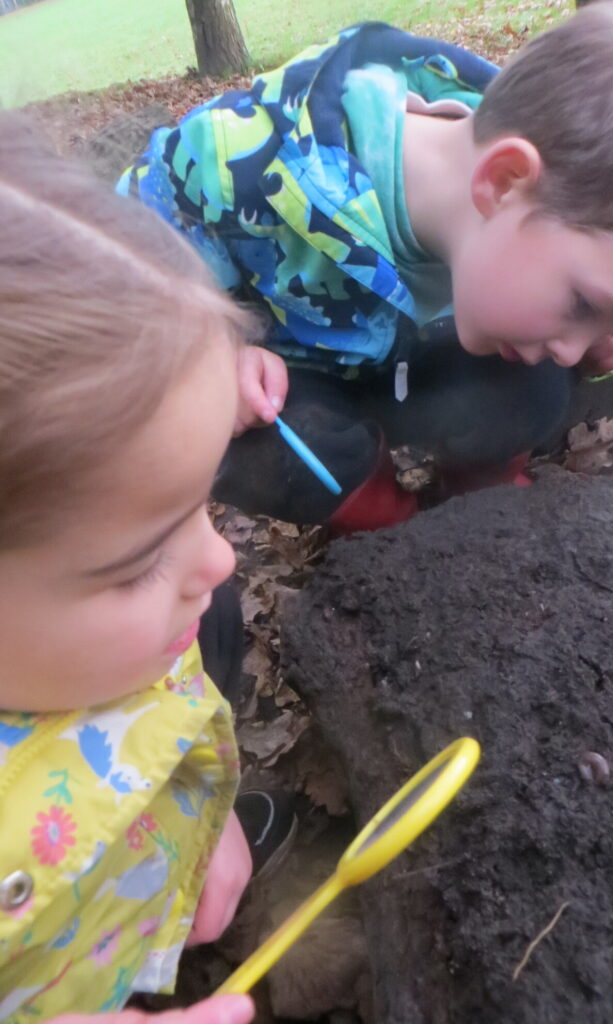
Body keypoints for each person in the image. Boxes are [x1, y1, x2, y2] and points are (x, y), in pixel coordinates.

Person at [119, 1, 613, 533]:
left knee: (536, 386)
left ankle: (480, 497)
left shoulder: (542, 193)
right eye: (583, 306)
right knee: (272, 446)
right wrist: (210, 346)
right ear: (504, 181)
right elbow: (122, 256)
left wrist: (599, 332)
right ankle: (385, 520)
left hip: (423, 360)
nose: (574, 346)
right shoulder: (240, 162)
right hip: (300, 377)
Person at [0, 113, 298, 1022]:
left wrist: (195, 833)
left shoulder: (66, 640)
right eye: (136, 564)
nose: (218, 555)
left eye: (203, 504)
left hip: (120, 882)